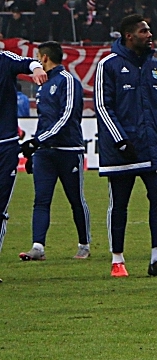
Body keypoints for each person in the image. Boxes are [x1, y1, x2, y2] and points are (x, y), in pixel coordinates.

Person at [96, 15, 157, 278]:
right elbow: (102, 106)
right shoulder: (108, 65)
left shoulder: (156, 65)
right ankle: (117, 259)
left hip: (153, 148)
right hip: (122, 150)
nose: (150, 34)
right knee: (119, 204)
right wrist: (120, 140)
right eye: (144, 31)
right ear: (128, 36)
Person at [17, 43, 88, 263]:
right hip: (45, 153)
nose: (37, 61)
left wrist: (38, 141)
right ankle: (37, 247)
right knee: (41, 199)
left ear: (45, 57)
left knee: (75, 199)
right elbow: (44, 121)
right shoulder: (43, 84)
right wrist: (35, 151)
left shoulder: (68, 81)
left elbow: (66, 118)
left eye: (38, 57)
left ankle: (84, 244)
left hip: (68, 150)